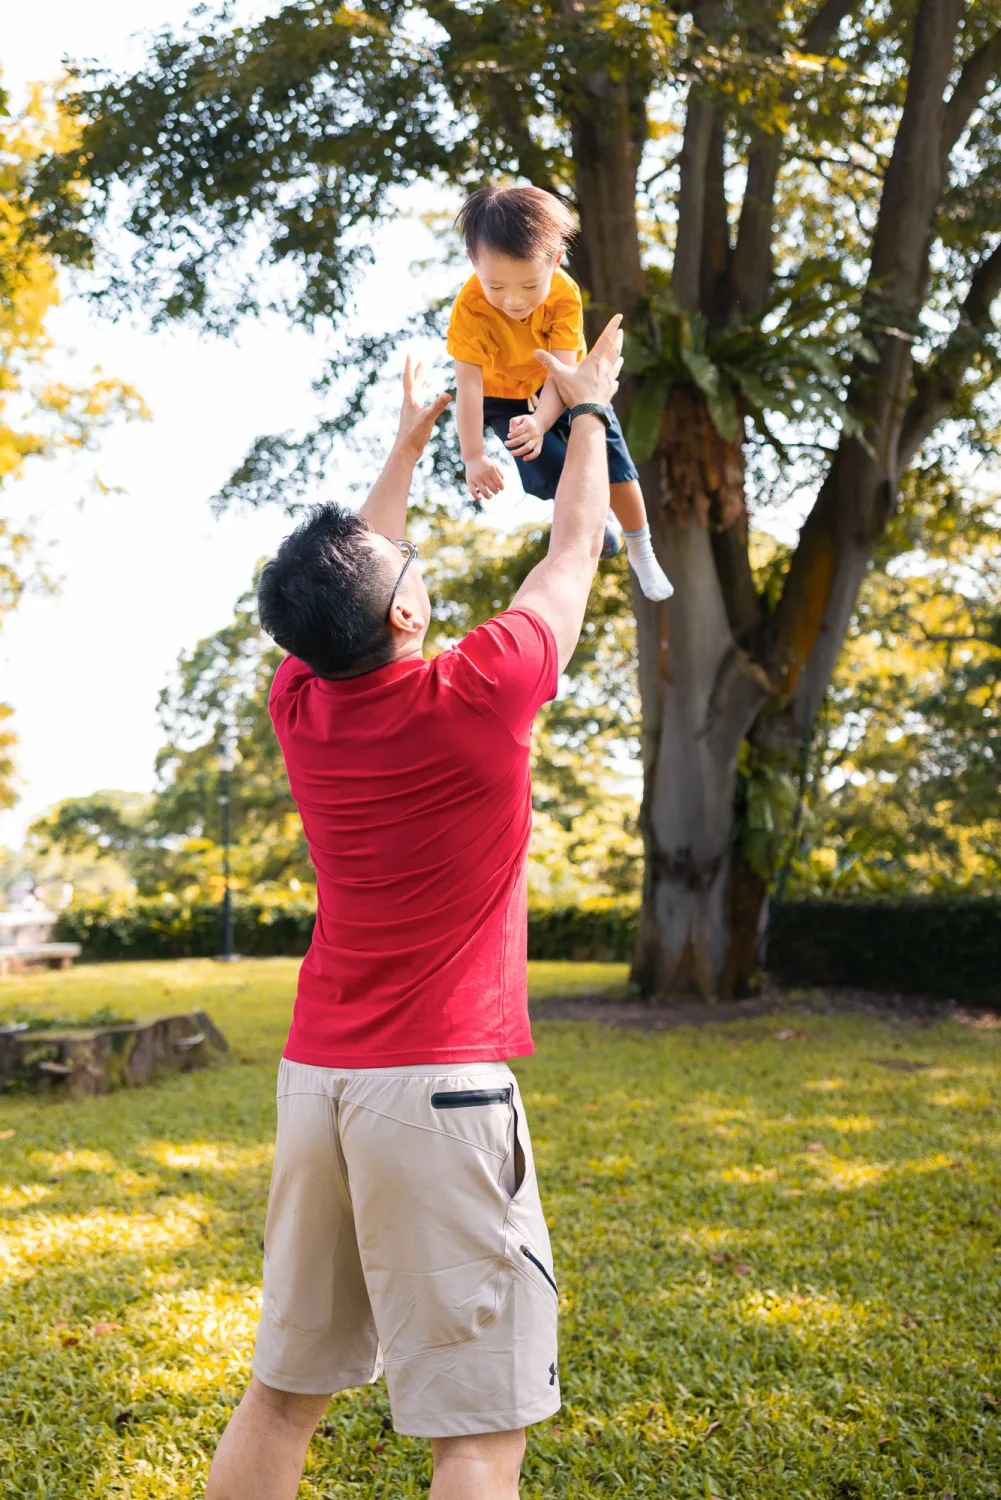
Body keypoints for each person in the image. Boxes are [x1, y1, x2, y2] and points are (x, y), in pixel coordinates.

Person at [203, 315, 626, 1500]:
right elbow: (574, 545)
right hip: (437, 1091)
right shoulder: (476, 698)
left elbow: (348, 584)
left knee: (283, 1397)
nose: (413, 572)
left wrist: (404, 446)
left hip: (318, 1085)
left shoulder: (303, 700)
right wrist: (584, 407)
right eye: (409, 578)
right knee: (478, 1431)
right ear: (403, 617)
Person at [448, 184, 673, 603]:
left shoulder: (565, 296)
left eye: (530, 287)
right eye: (496, 287)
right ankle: (593, 518)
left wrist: (542, 421)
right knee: (548, 468)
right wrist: (473, 456)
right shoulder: (470, 307)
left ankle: (641, 549)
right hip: (503, 395)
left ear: (555, 260)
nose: (513, 301)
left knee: (614, 462)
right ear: (472, 263)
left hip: (568, 383)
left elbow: (560, 373)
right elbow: (469, 384)